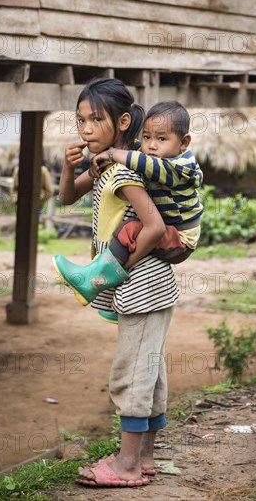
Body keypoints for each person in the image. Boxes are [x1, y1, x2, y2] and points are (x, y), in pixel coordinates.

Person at [53, 78, 179, 487]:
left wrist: (115, 268)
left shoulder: (124, 171)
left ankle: (125, 466)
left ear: (122, 120)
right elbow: (68, 198)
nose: (85, 128)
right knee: (151, 370)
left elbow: (155, 226)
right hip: (151, 288)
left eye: (96, 119)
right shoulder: (108, 165)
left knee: (131, 372)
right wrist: (69, 169)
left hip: (143, 287)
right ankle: (143, 457)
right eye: (80, 120)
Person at [55, 101, 203, 324]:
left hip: (180, 238)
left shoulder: (178, 165)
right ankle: (115, 300)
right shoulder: (137, 157)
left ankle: (98, 278)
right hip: (166, 235)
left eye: (161, 139)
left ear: (184, 143)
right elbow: (67, 197)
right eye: (146, 137)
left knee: (130, 229)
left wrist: (114, 153)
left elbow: (143, 163)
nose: (152, 145)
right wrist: (72, 166)